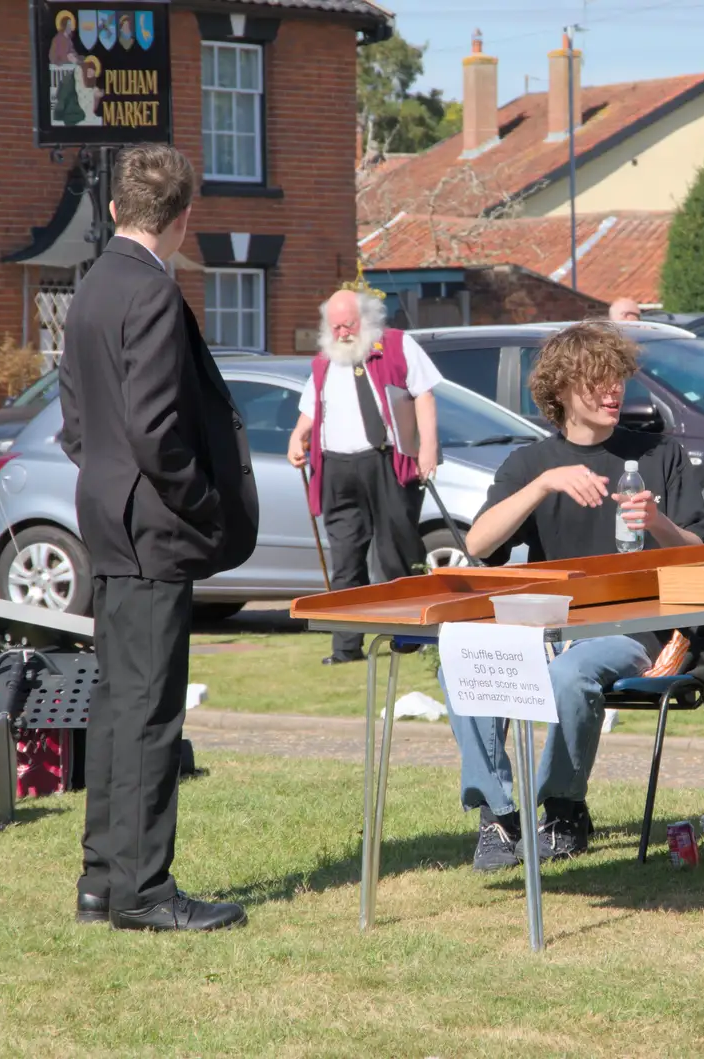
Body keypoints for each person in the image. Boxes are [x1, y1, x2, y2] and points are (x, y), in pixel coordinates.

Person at [59, 144, 259, 932]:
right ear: (184, 218)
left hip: (108, 514)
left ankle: (102, 880)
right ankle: (143, 890)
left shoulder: (92, 286)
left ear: (113, 209)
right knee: (149, 711)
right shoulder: (149, 291)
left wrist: (114, 480)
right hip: (150, 523)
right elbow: (154, 427)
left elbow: (79, 422)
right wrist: (200, 502)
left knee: (115, 705)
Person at [448, 321, 704, 870]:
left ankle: (563, 808)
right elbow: (478, 544)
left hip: (639, 627)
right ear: (562, 390)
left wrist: (658, 522)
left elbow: (699, 552)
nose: (613, 392)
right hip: (552, 624)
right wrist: (544, 485)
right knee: (464, 655)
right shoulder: (530, 465)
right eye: (597, 382)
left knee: (570, 673)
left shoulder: (659, 454)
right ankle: (498, 816)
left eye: (618, 379)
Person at [287, 288, 441, 665]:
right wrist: (297, 435)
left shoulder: (398, 345)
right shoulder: (325, 363)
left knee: (395, 552)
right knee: (346, 557)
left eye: (348, 324)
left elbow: (424, 395)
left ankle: (408, 637)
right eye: (335, 326)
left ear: (366, 319)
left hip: (385, 461)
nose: (342, 333)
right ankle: (345, 647)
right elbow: (313, 405)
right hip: (337, 467)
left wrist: (428, 447)